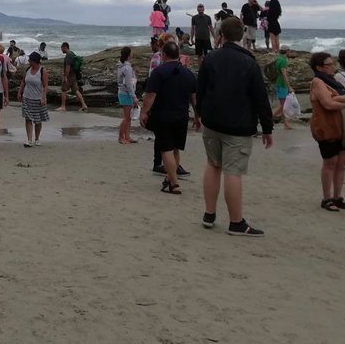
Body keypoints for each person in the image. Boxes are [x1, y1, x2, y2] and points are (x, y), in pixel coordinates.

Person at [194, 17, 274, 235]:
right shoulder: (249, 62)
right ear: (242, 35)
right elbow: (260, 98)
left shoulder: (210, 58)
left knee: (213, 165)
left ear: (221, 34)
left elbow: (200, 90)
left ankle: (209, 213)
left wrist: (198, 114)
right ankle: (236, 222)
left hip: (212, 122)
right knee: (233, 172)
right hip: (238, 125)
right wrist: (267, 128)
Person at [141, 40, 195, 195]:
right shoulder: (188, 73)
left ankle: (174, 183)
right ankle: (170, 178)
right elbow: (194, 98)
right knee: (175, 149)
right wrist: (198, 116)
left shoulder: (159, 72)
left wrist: (144, 112)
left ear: (163, 55)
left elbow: (151, 95)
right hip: (182, 115)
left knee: (166, 149)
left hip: (164, 115)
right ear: (178, 55)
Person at [308, 52, 345, 212]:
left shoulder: (334, 82)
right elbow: (328, 104)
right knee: (330, 162)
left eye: (333, 63)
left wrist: (339, 100)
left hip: (343, 128)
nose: (333, 67)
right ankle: (327, 198)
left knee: (342, 162)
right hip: (326, 128)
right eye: (329, 64)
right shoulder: (318, 82)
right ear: (319, 67)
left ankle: (337, 197)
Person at [18, 51, 49, 147]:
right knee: (28, 119)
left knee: (38, 120)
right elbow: (23, 82)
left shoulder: (42, 71)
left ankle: (37, 139)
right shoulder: (28, 69)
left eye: (30, 60)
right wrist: (19, 92)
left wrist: (43, 97)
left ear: (35, 61)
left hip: (38, 99)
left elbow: (45, 86)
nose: (29, 61)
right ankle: (29, 140)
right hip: (27, 98)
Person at [268, 47, 294, 130]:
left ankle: (285, 123)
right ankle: (271, 118)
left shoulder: (278, 59)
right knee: (283, 105)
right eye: (289, 51)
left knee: (283, 104)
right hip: (282, 85)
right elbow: (284, 74)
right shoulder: (283, 60)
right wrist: (289, 86)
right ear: (287, 51)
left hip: (278, 84)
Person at [116, 47, 138, 144]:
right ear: (128, 55)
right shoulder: (127, 68)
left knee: (128, 117)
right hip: (126, 94)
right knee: (127, 117)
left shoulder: (120, 66)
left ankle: (127, 137)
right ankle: (121, 137)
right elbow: (129, 84)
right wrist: (134, 97)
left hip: (122, 92)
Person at [58, 42, 88, 111]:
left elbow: (68, 67)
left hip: (69, 76)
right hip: (74, 75)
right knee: (76, 90)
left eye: (61, 48)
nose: (61, 50)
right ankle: (84, 105)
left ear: (65, 47)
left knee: (63, 90)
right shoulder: (72, 54)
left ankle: (63, 106)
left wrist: (65, 77)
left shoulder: (68, 55)